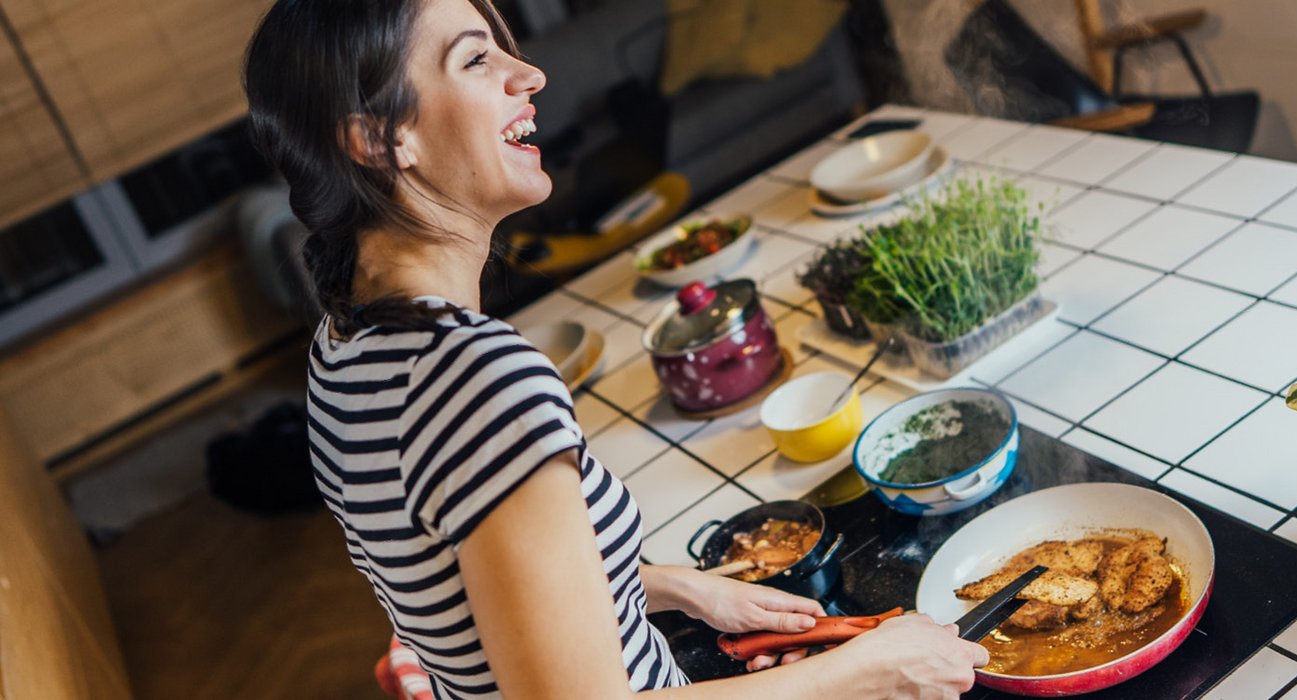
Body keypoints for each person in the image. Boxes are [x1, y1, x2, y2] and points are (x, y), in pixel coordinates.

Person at [242, 0, 988, 697]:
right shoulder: (475, 379)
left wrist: (677, 587)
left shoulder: (344, 350)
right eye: (475, 61)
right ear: (378, 138)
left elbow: (468, 595)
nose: (527, 75)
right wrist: (867, 669)